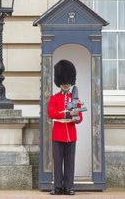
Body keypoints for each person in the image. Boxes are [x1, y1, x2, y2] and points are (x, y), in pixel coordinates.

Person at [47, 59, 83, 196]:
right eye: (64, 82)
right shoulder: (54, 98)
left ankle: (68, 186)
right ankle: (57, 187)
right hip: (58, 134)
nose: (66, 84)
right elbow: (52, 113)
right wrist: (68, 113)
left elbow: (80, 119)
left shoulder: (75, 99)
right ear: (59, 83)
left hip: (71, 135)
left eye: (68, 82)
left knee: (69, 162)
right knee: (57, 162)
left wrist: (76, 116)